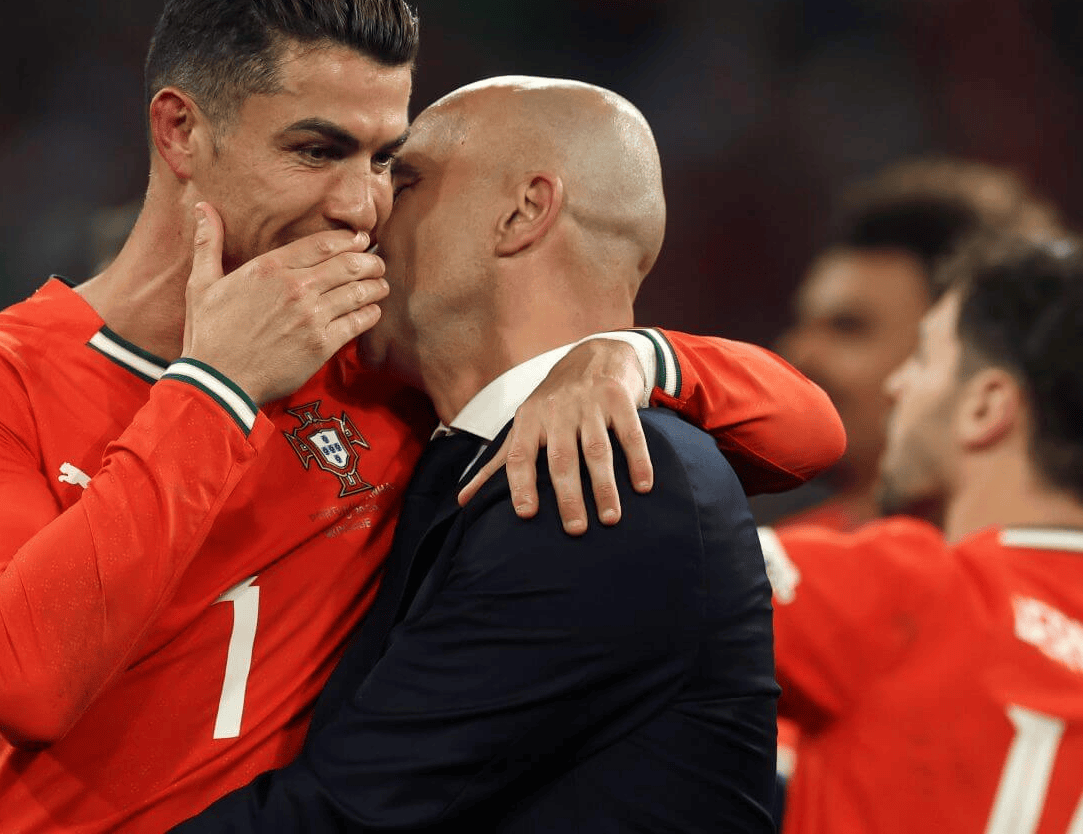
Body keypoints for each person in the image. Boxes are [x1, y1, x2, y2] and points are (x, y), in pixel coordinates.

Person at [0, 0, 843, 833]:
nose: (362, 204)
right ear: (180, 131)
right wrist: (214, 386)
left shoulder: (370, 374)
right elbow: (23, 676)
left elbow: (808, 433)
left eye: (384, 160)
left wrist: (630, 357)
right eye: (318, 150)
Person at [174, 77, 781, 831]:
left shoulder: (607, 473)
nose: (367, 212)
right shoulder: (463, 458)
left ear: (523, 212)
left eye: (404, 179)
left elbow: (347, 812)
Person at [759, 236, 1083, 834]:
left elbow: (642, 565)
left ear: (986, 406)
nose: (897, 385)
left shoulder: (911, 591)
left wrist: (644, 360)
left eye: (925, 357)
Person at [769, 159, 1061, 530]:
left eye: (848, 327)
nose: (798, 354)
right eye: (802, 324)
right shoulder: (778, 557)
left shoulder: (1056, 553)